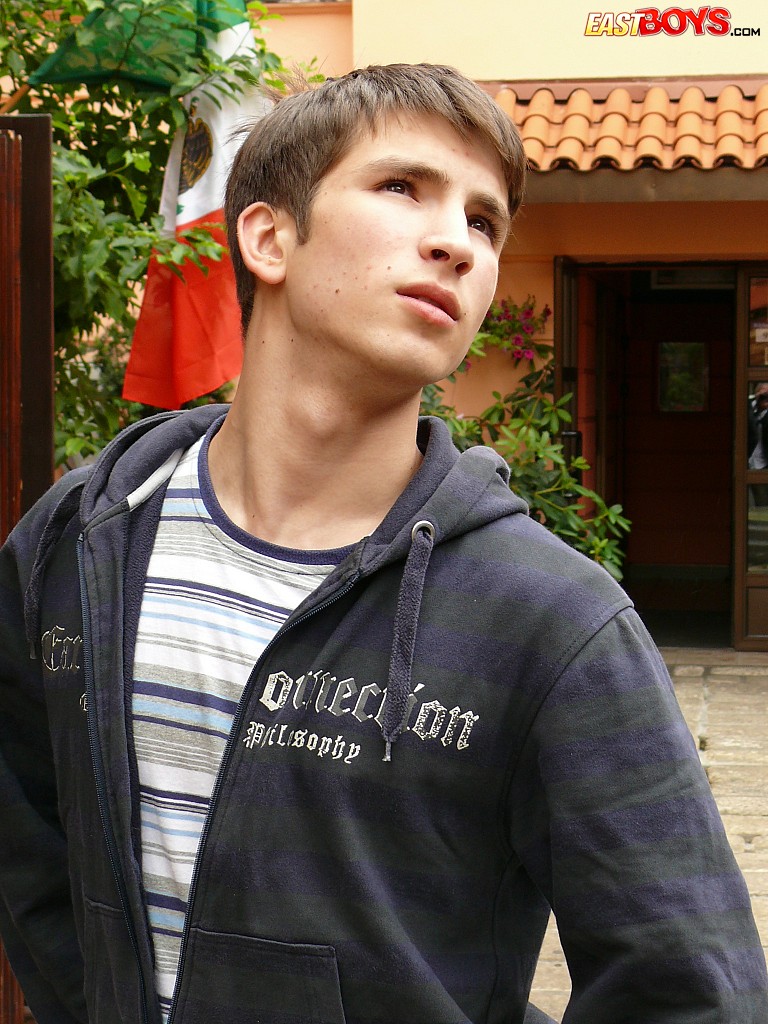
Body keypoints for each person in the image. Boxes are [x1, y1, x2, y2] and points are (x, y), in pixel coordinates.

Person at [0, 64, 766, 1024]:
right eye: (403, 187)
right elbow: (28, 841)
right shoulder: (78, 544)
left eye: (485, 223)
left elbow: (692, 988)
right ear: (269, 237)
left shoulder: (553, 619)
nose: (456, 243)